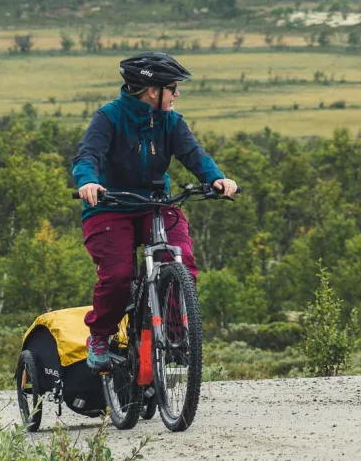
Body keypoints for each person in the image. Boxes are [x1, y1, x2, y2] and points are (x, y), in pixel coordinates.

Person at [72, 51, 237, 370]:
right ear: (152, 91)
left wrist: (216, 178)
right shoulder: (108, 117)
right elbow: (87, 156)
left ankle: (174, 335)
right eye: (173, 88)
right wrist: (89, 182)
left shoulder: (172, 122)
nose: (177, 94)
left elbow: (194, 155)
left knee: (181, 262)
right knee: (119, 276)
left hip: (156, 204)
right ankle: (101, 336)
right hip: (109, 205)